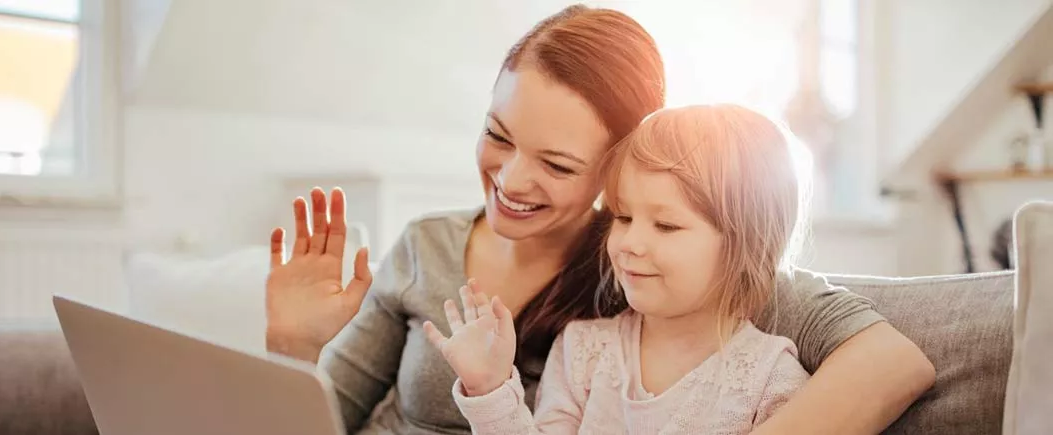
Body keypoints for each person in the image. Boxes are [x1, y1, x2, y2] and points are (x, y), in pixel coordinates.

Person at [265, 4, 935, 435]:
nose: (509, 180)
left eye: (556, 164)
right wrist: (294, 349)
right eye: (499, 135)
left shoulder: (641, 271)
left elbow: (888, 359)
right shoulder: (428, 244)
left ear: (619, 163)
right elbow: (324, 417)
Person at [427, 104, 812, 434]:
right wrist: (490, 388)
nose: (628, 243)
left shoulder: (771, 378)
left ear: (747, 243)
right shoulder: (583, 351)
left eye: (666, 226)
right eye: (623, 217)